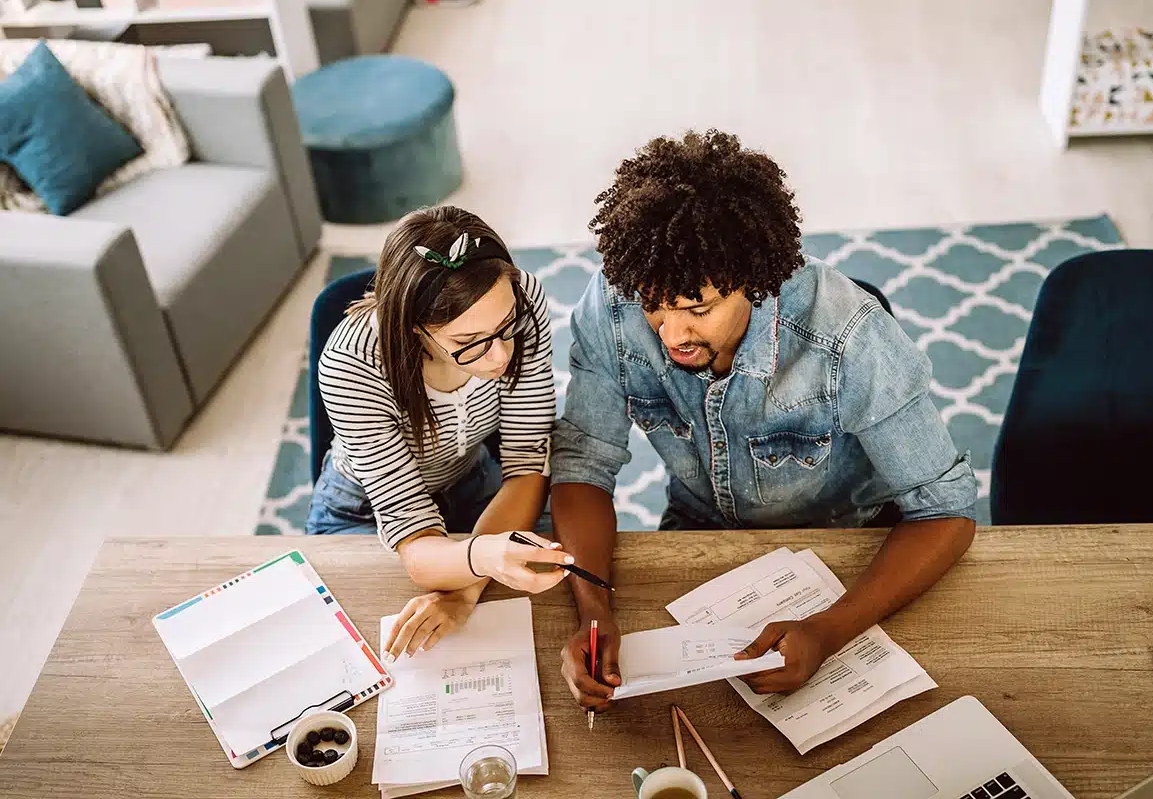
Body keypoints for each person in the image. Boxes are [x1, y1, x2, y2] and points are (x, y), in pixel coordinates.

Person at [552, 131, 978, 710]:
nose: (671, 335)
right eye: (655, 305)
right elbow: (583, 465)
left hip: (845, 540)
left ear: (755, 283)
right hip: (696, 526)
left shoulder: (849, 334)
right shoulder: (610, 304)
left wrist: (829, 631)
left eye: (697, 309)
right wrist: (595, 613)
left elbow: (946, 512)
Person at [307, 206, 573, 660]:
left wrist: (464, 592)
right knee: (348, 648)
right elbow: (415, 542)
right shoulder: (351, 364)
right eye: (470, 344)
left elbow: (528, 462)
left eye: (506, 328)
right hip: (362, 508)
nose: (500, 356)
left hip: (473, 479)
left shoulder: (521, 296)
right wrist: (484, 559)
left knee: (558, 602)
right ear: (415, 329)